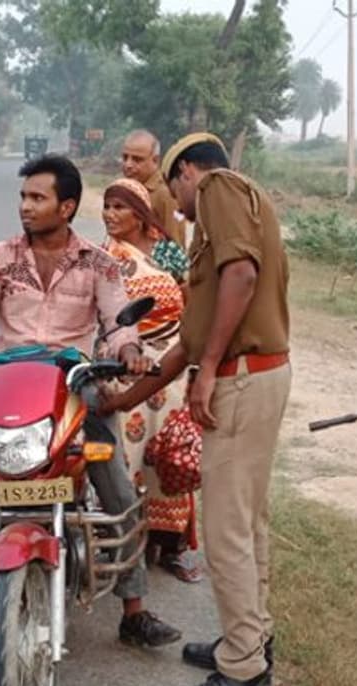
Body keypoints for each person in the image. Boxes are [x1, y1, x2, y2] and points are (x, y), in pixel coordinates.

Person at [0, 155, 181, 665]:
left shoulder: (99, 264)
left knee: (117, 486)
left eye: (37, 198)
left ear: (67, 206)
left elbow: (118, 322)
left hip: (72, 384)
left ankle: (134, 611)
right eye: (23, 197)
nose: (26, 207)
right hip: (6, 385)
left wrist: (127, 351)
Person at [110, 133, 291, 686]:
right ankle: (251, 640)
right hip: (256, 373)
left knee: (228, 532)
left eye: (171, 187)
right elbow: (183, 345)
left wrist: (210, 369)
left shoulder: (218, 187)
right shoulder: (231, 209)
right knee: (249, 522)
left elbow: (241, 274)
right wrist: (120, 401)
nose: (176, 204)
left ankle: (245, 670)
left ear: (186, 171)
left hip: (241, 376)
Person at [98, 177, 201, 583]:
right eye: (106, 206)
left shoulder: (168, 253)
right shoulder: (99, 257)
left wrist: (192, 366)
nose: (109, 214)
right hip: (124, 370)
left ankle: (171, 546)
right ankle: (125, 541)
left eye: (119, 207)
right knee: (125, 459)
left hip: (171, 366)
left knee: (171, 454)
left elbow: (191, 304)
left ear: (140, 214)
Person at [121, 129, 187, 250]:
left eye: (137, 159)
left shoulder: (165, 194)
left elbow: (175, 245)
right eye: (125, 157)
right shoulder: (127, 188)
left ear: (155, 160)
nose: (128, 164)